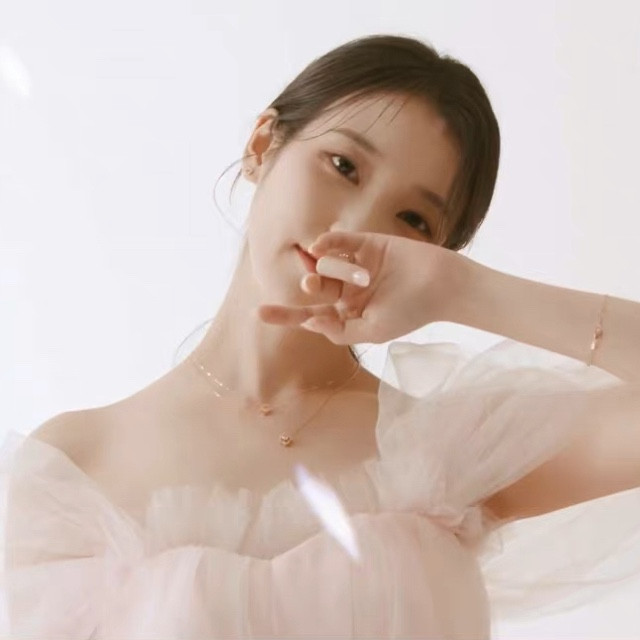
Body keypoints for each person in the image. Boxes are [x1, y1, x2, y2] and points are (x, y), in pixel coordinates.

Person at [1, 33, 640, 639]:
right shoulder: (76, 467)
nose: (356, 224)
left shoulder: (445, 453)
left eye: (413, 218)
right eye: (343, 165)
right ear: (261, 145)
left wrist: (462, 291)